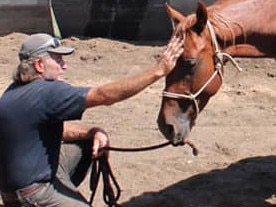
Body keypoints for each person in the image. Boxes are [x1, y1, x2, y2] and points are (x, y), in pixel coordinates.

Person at [0, 33, 183, 207]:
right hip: (32, 195)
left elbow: (54, 129)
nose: (65, 66)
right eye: (58, 60)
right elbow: (104, 96)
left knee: (86, 142)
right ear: (39, 65)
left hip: (20, 185)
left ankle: (66, 194)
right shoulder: (48, 92)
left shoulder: (15, 91)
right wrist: (159, 70)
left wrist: (92, 132)